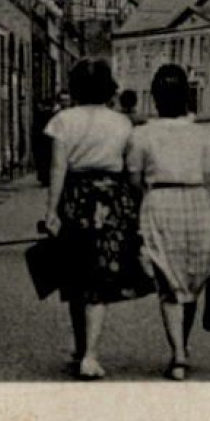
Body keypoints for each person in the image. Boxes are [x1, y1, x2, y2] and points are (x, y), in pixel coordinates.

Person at [44, 59, 152, 380]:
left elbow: (57, 169)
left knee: (76, 275)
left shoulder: (62, 120)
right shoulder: (122, 123)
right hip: (111, 200)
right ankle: (90, 353)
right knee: (100, 278)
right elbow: (131, 168)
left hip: (75, 198)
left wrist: (51, 210)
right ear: (108, 87)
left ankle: (81, 348)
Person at [125, 64, 210, 382]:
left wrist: (149, 200)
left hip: (160, 202)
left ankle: (179, 353)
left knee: (167, 277)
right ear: (187, 97)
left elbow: (134, 180)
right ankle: (183, 347)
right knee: (192, 279)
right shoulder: (206, 136)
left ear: (154, 98)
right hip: (198, 204)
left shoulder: (141, 135)